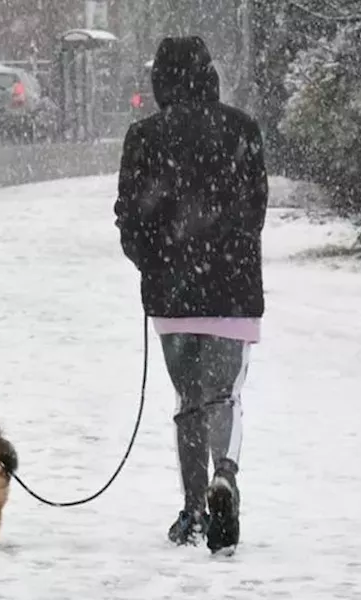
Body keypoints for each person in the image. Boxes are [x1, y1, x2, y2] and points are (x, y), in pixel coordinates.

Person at [113, 36, 268, 555]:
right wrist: (229, 248)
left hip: (173, 294)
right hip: (232, 289)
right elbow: (255, 209)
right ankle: (225, 475)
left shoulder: (144, 137)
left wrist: (155, 261)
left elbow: (129, 218)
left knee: (188, 402)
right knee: (225, 394)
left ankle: (194, 510)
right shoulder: (242, 130)